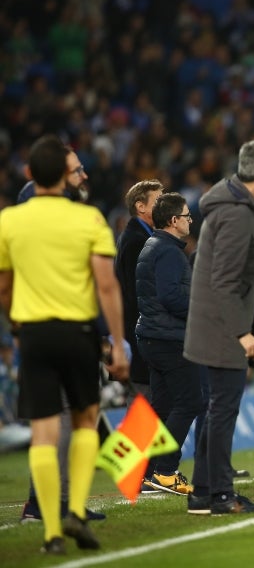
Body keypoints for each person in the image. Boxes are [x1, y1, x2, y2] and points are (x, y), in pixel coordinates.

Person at [0, 134, 129, 554]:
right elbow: (107, 286)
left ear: (29, 174)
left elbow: (4, 286)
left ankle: (51, 531)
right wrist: (119, 344)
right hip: (77, 333)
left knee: (43, 432)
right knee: (85, 420)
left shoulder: (9, 221)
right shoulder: (89, 219)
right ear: (64, 177)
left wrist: (16, 325)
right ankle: (75, 509)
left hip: (33, 334)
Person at [183, 140, 254, 515]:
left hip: (215, 322)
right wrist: (243, 331)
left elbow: (231, 271)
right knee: (222, 411)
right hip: (223, 329)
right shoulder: (239, 215)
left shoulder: (232, 205)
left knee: (215, 410)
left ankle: (204, 491)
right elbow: (223, 281)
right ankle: (222, 495)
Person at [18, 146, 107, 523]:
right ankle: (48, 506)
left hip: (42, 329)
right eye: (77, 171)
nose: (83, 177)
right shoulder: (54, 211)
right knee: (62, 422)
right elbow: (104, 285)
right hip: (62, 326)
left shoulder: (67, 212)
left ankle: (59, 503)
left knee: (63, 421)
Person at [135, 192, 205, 495]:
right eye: (187, 216)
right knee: (190, 402)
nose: (191, 221)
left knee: (162, 406)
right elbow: (171, 297)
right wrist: (202, 311)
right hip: (168, 338)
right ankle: (165, 471)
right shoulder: (168, 251)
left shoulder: (155, 246)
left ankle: (149, 473)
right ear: (174, 221)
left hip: (152, 336)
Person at [115, 180, 164, 401]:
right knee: (142, 410)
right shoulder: (137, 241)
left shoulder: (143, 238)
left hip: (146, 341)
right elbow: (139, 297)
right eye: (158, 201)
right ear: (140, 206)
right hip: (143, 344)